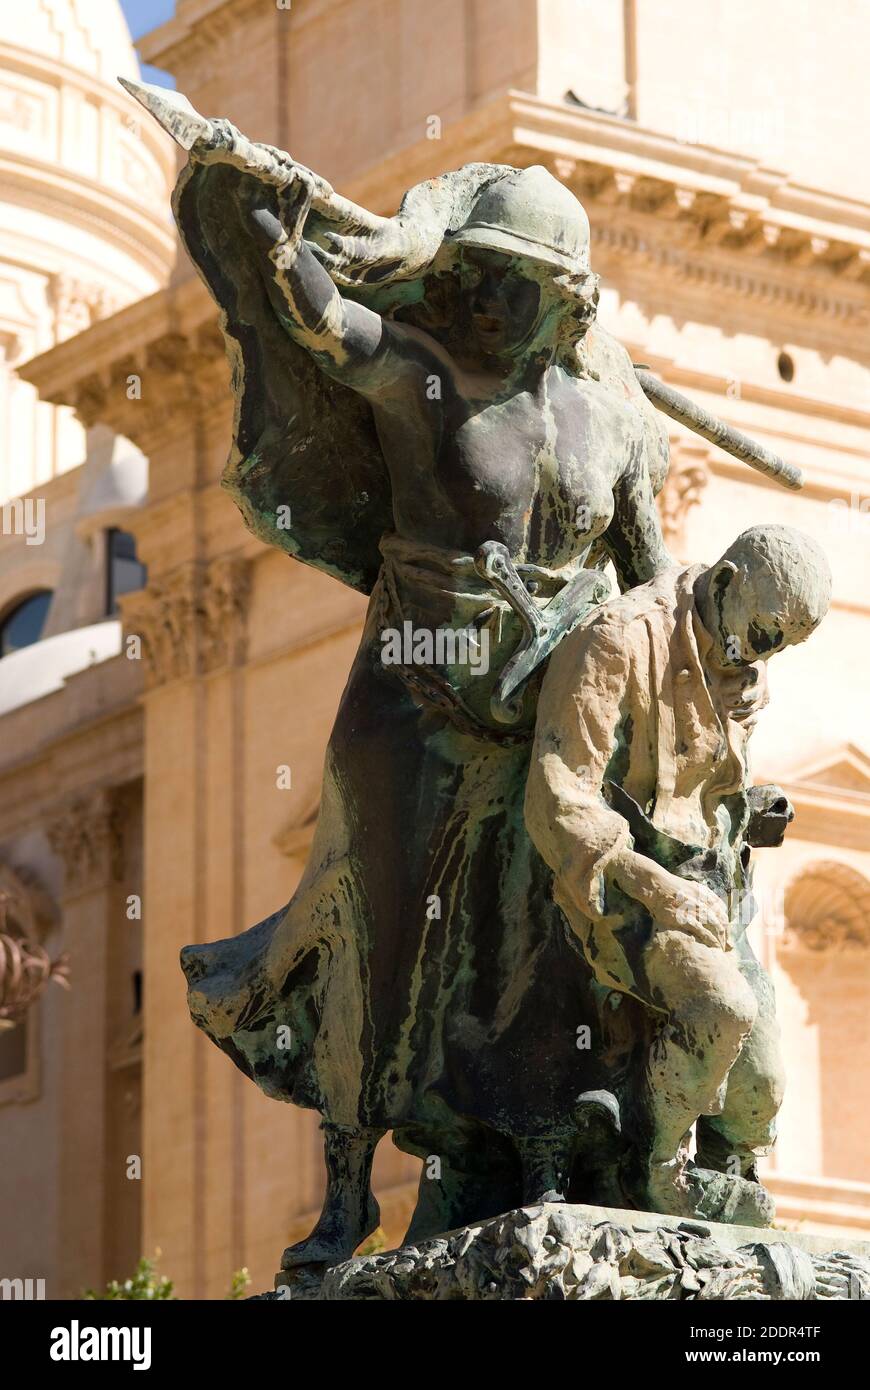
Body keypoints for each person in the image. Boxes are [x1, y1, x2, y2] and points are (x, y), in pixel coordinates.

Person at [177, 152, 675, 1267]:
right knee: (385, 947)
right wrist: (274, 240)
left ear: (564, 302)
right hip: (416, 695)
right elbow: (331, 331)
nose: (492, 299)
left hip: (548, 703)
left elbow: (651, 587)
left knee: (550, 939)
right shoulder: (423, 373)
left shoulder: (617, 424)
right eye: (482, 275)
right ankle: (348, 1198)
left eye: (520, 283)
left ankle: (553, 1157)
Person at [525, 525, 831, 1223]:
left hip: (709, 891)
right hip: (625, 890)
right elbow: (558, 792)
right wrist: (654, 886)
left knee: (764, 1086)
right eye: (762, 633)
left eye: (782, 645)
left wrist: (748, 810)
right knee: (722, 1009)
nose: (765, 655)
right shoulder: (618, 640)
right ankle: (657, 1172)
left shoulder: (744, 673)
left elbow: (704, 790)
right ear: (723, 584)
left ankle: (730, 1182)